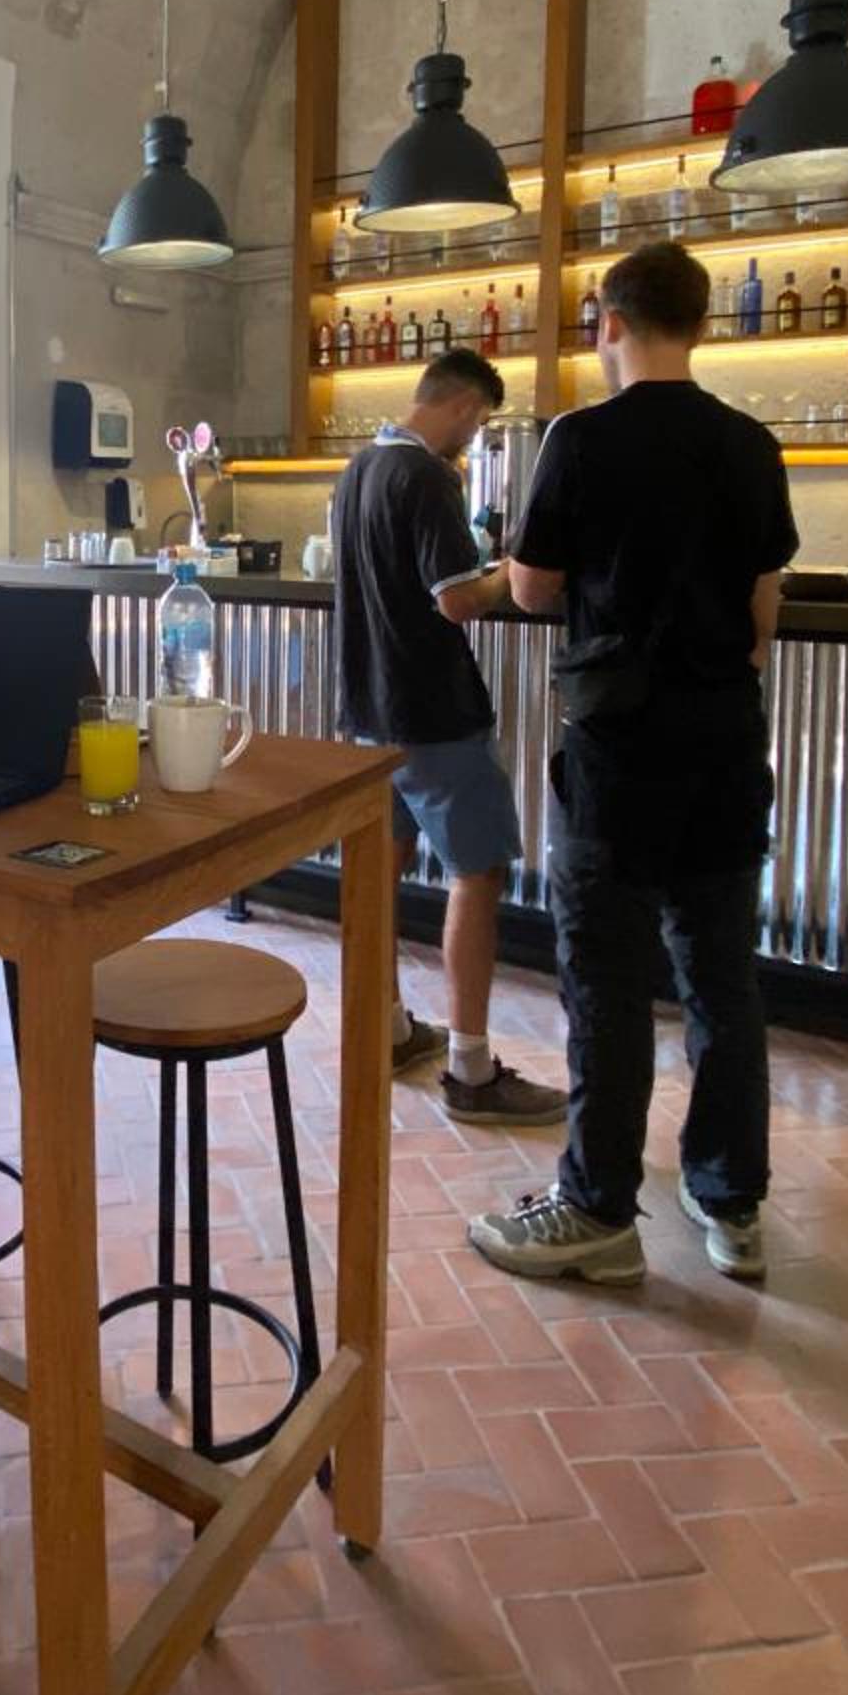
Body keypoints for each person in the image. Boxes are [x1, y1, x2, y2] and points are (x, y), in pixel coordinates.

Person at [467, 243, 795, 1287]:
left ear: (608, 323)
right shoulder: (751, 445)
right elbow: (762, 616)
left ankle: (600, 1210)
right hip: (725, 745)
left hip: (619, 752)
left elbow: (529, 588)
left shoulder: (581, 439)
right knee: (722, 979)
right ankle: (730, 1201)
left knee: (608, 983)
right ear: (700, 325)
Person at [331, 347, 565, 1125]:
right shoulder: (427, 475)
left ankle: (390, 1031)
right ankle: (470, 1069)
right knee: (478, 872)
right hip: (433, 714)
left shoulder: (358, 469)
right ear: (464, 406)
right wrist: (512, 571)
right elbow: (458, 601)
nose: (476, 436)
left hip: (369, 713)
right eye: (481, 422)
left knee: (382, 871)